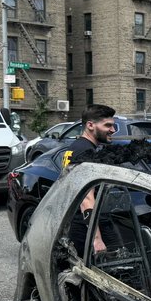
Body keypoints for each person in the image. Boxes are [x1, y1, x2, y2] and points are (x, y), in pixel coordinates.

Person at [65, 104, 117, 255]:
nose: (112, 130)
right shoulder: (85, 151)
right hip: (84, 226)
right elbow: (86, 199)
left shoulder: (76, 146)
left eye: (113, 125)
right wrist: (96, 239)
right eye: (107, 125)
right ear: (90, 125)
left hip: (79, 223)